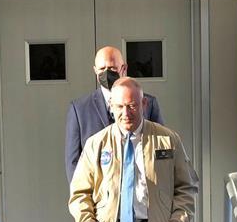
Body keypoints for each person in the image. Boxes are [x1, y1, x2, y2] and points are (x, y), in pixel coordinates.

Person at [68, 77, 196, 222]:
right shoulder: (96, 144)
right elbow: (79, 193)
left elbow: (186, 188)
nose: (125, 113)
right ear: (111, 106)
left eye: (132, 106)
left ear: (144, 104)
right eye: (119, 106)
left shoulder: (168, 140)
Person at [64, 46, 164, 182]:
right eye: (101, 69)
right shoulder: (79, 109)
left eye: (112, 68)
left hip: (141, 191)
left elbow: (162, 151)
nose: (106, 73)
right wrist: (83, 199)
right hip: (99, 196)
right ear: (95, 70)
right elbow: (73, 161)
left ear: (124, 68)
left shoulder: (148, 103)